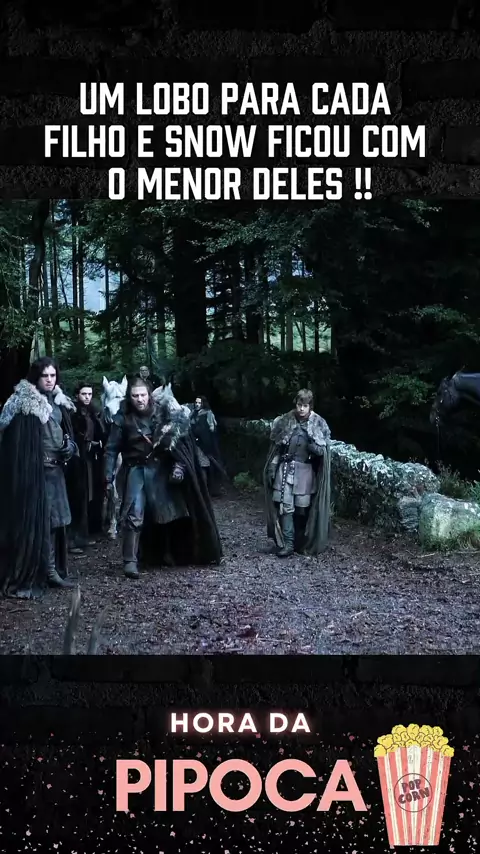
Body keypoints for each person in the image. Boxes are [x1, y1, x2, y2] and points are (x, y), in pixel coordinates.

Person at [103, 377, 222, 578]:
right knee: (134, 514)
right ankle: (130, 561)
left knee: (169, 514)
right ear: (129, 397)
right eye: (135, 395)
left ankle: (168, 553)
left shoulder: (162, 413)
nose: (139, 399)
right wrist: (107, 476)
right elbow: (111, 449)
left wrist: (179, 466)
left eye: (143, 395)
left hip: (161, 470)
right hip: (136, 471)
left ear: (149, 395)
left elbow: (181, 443)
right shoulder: (122, 418)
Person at [0, 357, 78, 598]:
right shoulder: (24, 404)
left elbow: (67, 435)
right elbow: (17, 445)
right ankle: (40, 571)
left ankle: (52, 570)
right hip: (34, 474)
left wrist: (70, 447)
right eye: (45, 375)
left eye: (53, 375)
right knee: (37, 523)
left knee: (55, 522)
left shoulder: (58, 402)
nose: (50, 380)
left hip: (55, 471)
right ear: (36, 376)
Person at [264, 388, 331, 557]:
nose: (301, 408)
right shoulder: (285, 421)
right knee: (285, 507)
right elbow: (277, 448)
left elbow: (322, 452)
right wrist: (273, 466)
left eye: (305, 405)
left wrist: (313, 444)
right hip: (285, 470)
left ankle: (300, 542)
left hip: (305, 473)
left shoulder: (318, 424)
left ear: (310, 406)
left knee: (302, 509)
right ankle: (288, 544)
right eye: (299, 405)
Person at [66, 382, 106, 553]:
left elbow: (99, 433)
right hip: (76, 461)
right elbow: (73, 436)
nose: (87, 397)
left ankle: (83, 536)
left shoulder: (92, 412)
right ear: (77, 395)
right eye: (84, 394)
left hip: (90, 461)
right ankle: (71, 540)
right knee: (76, 498)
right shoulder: (73, 414)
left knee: (88, 497)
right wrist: (86, 443)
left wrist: (98, 444)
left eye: (89, 394)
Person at [190, 396, 226, 496]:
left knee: (205, 467)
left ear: (203, 403)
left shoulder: (208, 413)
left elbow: (211, 429)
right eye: (196, 402)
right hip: (195, 445)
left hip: (205, 446)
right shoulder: (193, 414)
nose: (197, 404)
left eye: (199, 403)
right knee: (198, 467)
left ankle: (206, 491)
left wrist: (204, 440)